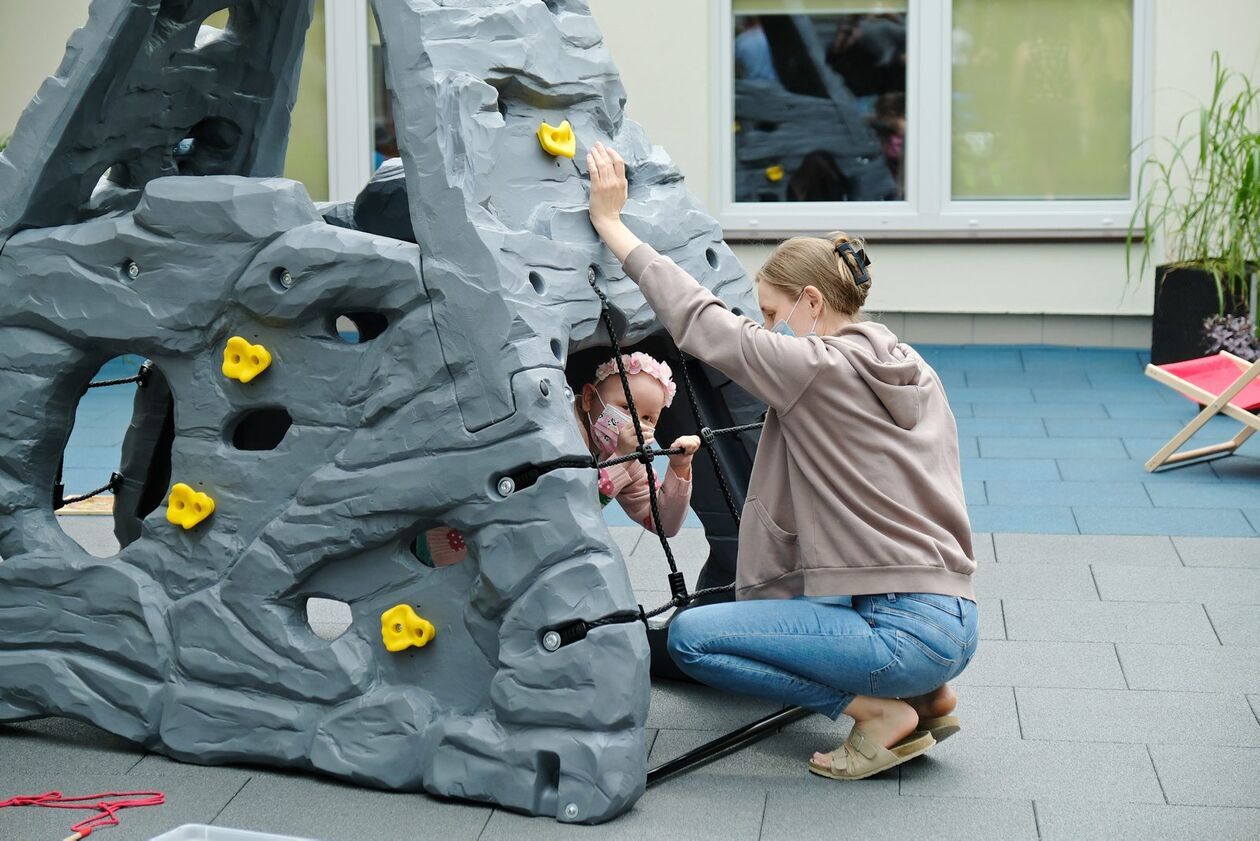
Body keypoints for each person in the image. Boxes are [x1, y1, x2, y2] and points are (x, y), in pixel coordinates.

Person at [585, 142, 978, 781]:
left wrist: (611, 224)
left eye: (773, 313)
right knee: (812, 607)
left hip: (898, 635)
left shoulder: (815, 366)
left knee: (692, 639)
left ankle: (876, 711)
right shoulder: (911, 367)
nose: (770, 329)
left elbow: (700, 320)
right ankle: (929, 698)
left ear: (813, 303)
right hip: (957, 619)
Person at [415, 352, 701, 566]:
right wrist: (620, 458)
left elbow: (664, 523)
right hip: (462, 536)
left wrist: (680, 467)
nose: (635, 424)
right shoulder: (555, 425)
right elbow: (566, 501)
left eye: (649, 418)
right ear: (589, 398)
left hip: (519, 559)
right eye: (626, 407)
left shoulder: (629, 459)